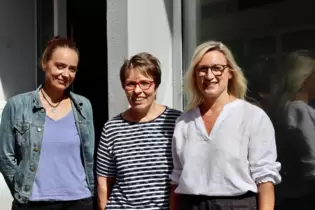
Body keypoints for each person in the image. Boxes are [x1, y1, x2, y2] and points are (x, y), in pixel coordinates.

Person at [170, 41, 281, 210]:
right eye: (202, 69)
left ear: (230, 72)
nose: (209, 76)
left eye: (217, 68)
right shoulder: (184, 123)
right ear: (194, 75)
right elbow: (176, 180)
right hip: (191, 204)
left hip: (237, 205)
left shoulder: (252, 116)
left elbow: (265, 179)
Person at [0, 36, 95, 210]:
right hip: (32, 203)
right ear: (44, 63)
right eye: (60, 66)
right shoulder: (17, 105)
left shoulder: (83, 106)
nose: (66, 74)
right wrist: (21, 190)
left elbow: (88, 155)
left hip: (78, 201)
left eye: (72, 69)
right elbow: (5, 156)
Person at [96, 52, 181, 210]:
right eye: (131, 84)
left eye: (145, 83)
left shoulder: (176, 122)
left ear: (156, 85)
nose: (137, 90)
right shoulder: (112, 128)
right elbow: (104, 183)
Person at [267, 50, 315, 210]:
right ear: (305, 77)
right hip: (304, 196)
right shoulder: (298, 110)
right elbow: (311, 159)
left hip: (288, 194)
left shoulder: (281, 108)